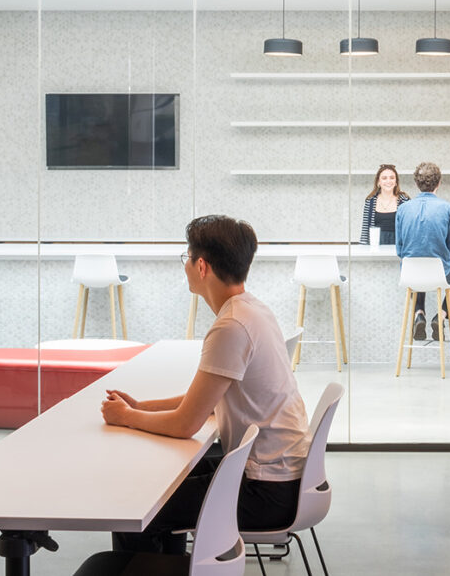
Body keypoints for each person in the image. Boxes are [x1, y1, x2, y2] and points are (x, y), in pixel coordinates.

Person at [102, 214, 310, 553]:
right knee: (163, 484)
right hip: (281, 477)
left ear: (202, 266)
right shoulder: (254, 311)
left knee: (138, 504)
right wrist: (139, 407)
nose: (185, 266)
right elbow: (205, 401)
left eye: (187, 258)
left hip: (267, 492)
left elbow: (186, 424)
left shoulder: (231, 326)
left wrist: (124, 417)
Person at [394, 161, 450, 342]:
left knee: (420, 272)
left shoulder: (403, 209)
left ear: (416, 183)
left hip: (410, 273)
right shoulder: (448, 208)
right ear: (439, 183)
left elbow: (399, 248)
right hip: (439, 273)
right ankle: (440, 316)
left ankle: (419, 314)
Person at [358, 163, 409, 245]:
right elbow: (365, 231)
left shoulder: (405, 201)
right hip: (376, 248)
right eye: (384, 178)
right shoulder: (370, 201)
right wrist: (363, 250)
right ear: (378, 182)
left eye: (392, 178)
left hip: (399, 248)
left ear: (396, 182)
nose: (388, 181)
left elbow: (409, 231)